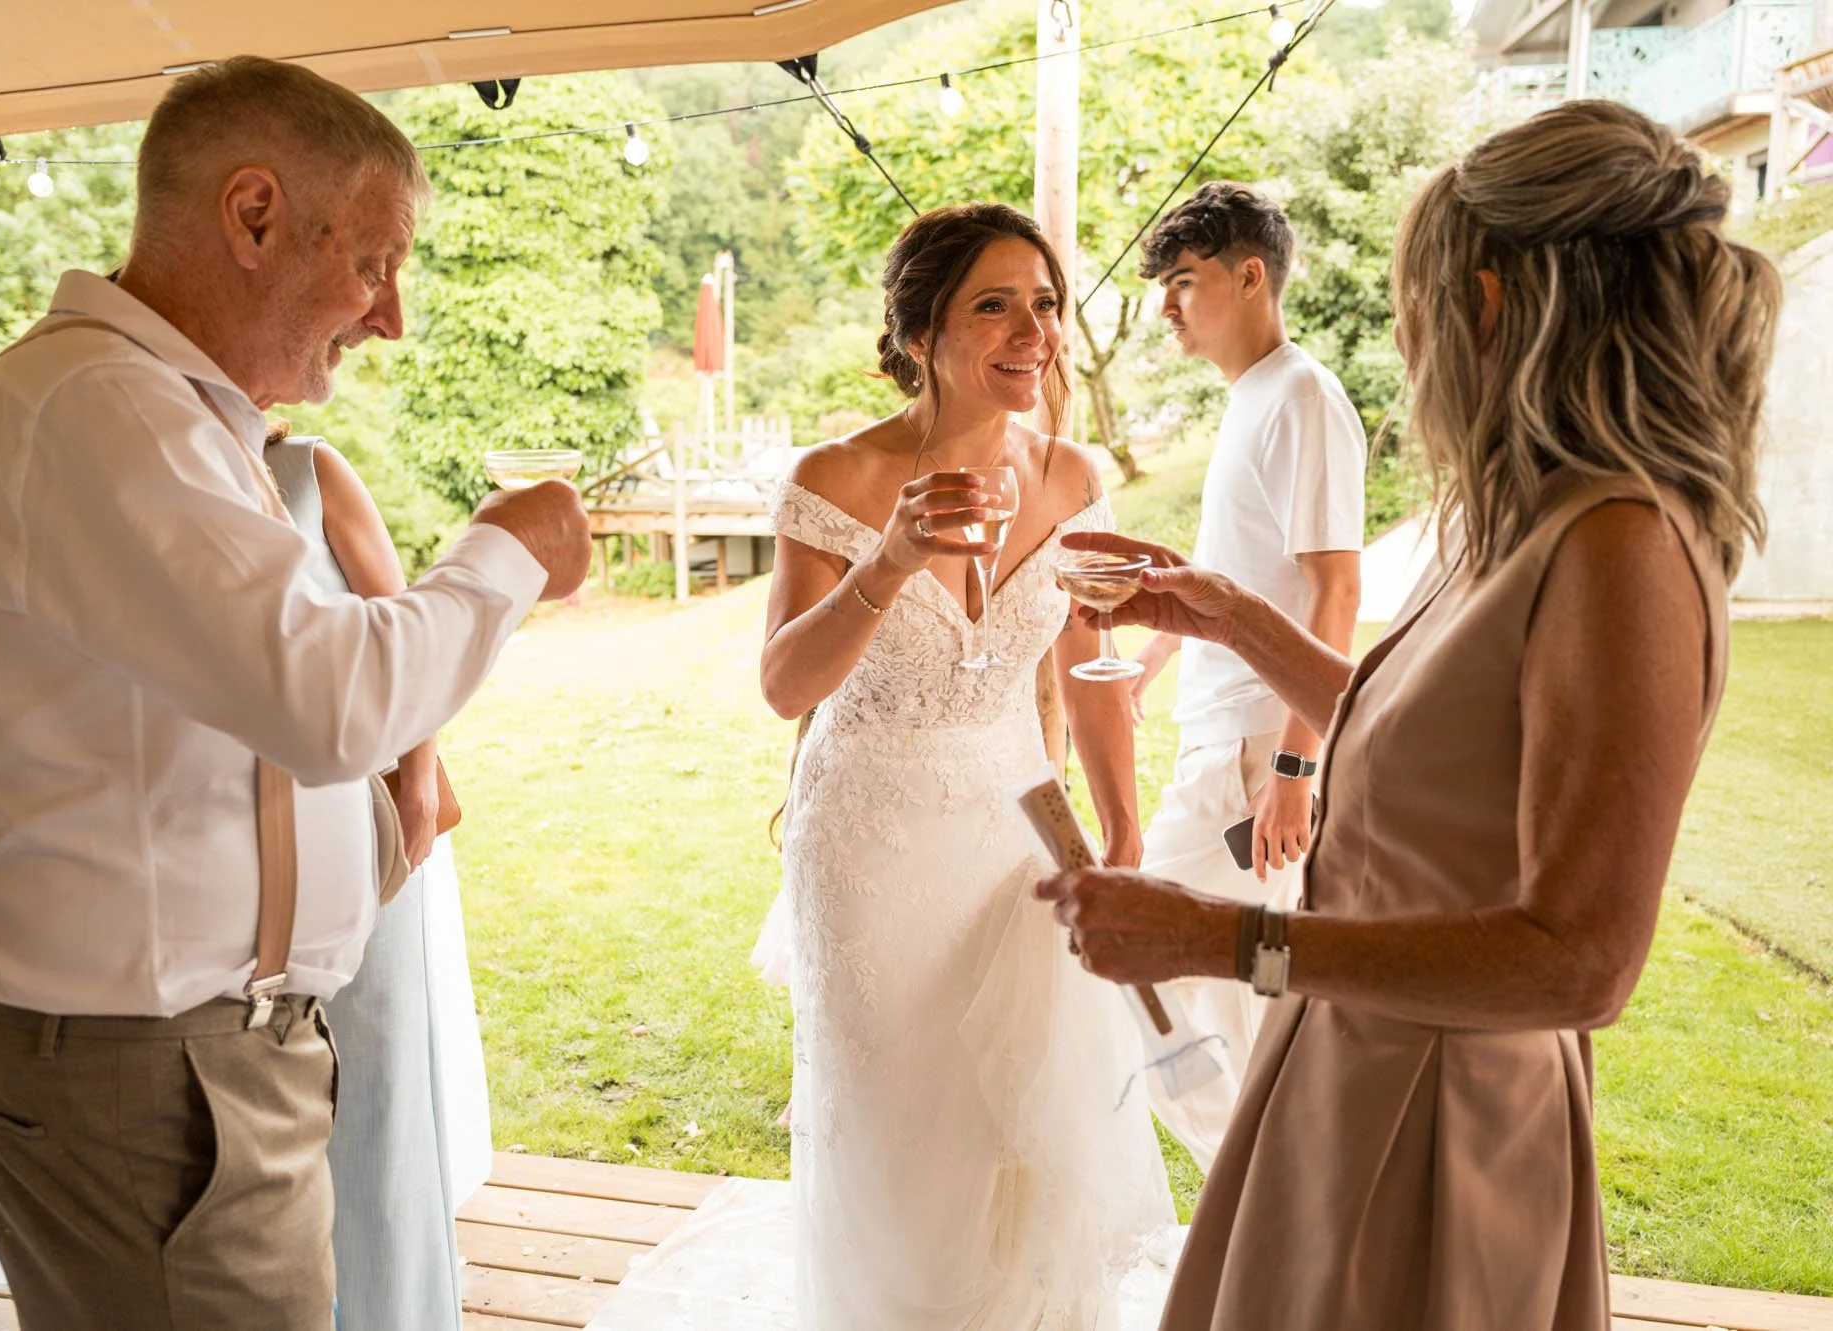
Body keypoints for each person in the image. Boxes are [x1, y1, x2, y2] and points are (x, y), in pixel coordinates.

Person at [1039, 100, 1777, 1330]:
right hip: (1358, 1064)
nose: (1403, 334)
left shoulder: (1618, 545)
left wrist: (1215, 941)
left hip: (1444, 1112)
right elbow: (1443, 748)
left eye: (1413, 301)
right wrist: (1227, 616)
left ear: (1486, 307)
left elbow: (1578, 956)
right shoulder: (1529, 514)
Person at [0, 56, 590, 1331]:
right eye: (376, 262)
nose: (388, 316)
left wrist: (378, 840)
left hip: (191, 1062)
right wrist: (505, 550)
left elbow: (232, 726)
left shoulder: (167, 417)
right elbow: (321, 701)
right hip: (149, 1081)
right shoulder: (96, 409)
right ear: (255, 215)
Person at [761, 202, 1173, 1330]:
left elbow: (1089, 664)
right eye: (993, 304)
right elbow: (785, 686)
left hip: (1013, 833)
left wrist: (1120, 824)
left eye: (1043, 304)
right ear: (919, 332)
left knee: (1020, 1124)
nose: (1031, 329)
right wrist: (888, 559)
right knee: (899, 1124)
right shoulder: (834, 477)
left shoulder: (1074, 474)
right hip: (870, 835)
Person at [1123, 182, 1364, 1170]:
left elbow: (1335, 590)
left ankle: (1255, 1168)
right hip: (1222, 737)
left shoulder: (1301, 393)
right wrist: (1154, 650)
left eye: (1183, 282)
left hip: (1256, 754)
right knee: (1247, 973)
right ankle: (1279, 1170)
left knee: (1133, 946)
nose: (1167, 306)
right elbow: (1235, 574)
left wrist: (1293, 771)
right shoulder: (1253, 395)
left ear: (1249, 274)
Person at [262, 420, 491, 1331]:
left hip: (363, 836)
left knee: (375, 1091)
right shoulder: (145, 473)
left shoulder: (309, 469)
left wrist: (420, 787)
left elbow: (408, 645)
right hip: (232, 863)